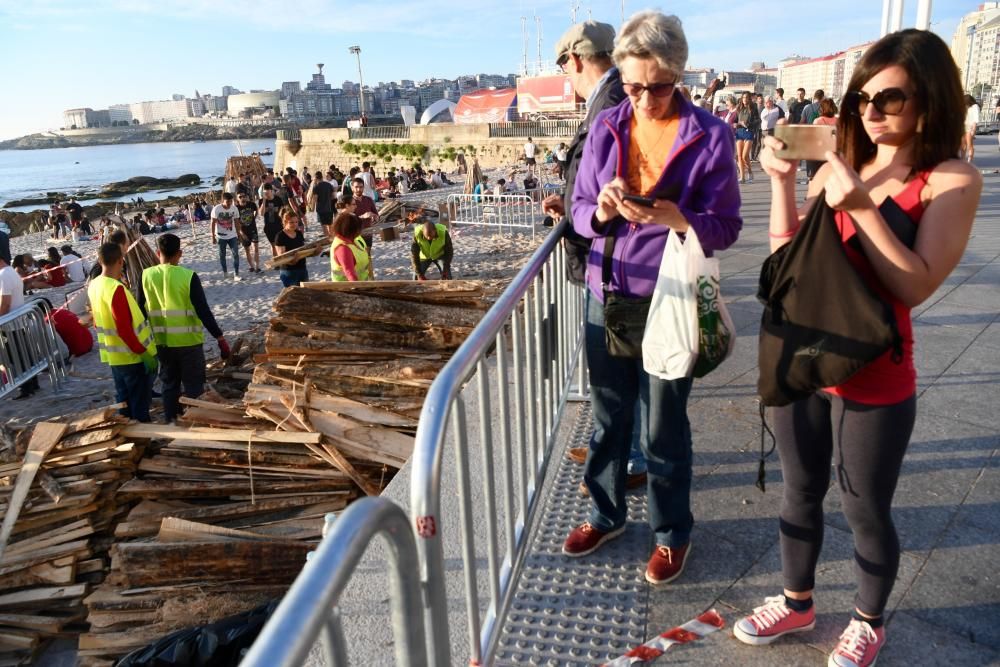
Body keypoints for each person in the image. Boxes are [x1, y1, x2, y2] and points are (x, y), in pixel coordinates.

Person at [734, 30, 981, 667]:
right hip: (808, 355)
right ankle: (797, 601)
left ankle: (868, 620)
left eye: (888, 98)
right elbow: (786, 261)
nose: (869, 112)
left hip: (876, 370)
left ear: (928, 100)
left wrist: (862, 206)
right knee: (799, 489)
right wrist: (787, 184)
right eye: (860, 99)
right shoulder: (846, 163)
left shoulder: (949, 178)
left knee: (865, 507)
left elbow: (916, 283)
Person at [562, 11, 742, 588]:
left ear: (679, 76)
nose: (643, 99)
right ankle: (605, 514)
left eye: (656, 87)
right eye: (633, 86)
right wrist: (603, 211)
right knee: (608, 417)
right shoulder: (607, 124)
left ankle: (671, 533)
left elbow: (727, 225)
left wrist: (679, 218)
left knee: (664, 426)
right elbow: (580, 212)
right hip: (605, 291)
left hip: (669, 297)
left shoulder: (710, 135)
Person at [139, 233, 230, 423]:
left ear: (158, 253)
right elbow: (203, 311)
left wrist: (143, 343)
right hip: (189, 343)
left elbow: (140, 311)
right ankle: (195, 422)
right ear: (179, 253)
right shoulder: (188, 276)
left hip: (162, 343)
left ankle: (172, 421)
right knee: (194, 386)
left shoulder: (145, 276)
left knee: (169, 385)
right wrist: (220, 338)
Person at [88, 242, 158, 422]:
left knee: (124, 402)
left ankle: (127, 437)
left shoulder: (94, 284)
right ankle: (143, 440)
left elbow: (96, 322)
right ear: (121, 260)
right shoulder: (116, 289)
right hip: (131, 357)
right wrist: (144, 354)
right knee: (139, 404)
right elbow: (124, 329)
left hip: (114, 356)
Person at [0, 251, 38, 399]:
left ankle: (26, 387)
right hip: (18, 320)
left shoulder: (3, 275)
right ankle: (32, 383)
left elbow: (5, 303)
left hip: (11, 322)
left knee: (16, 356)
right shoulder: (10, 271)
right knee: (24, 353)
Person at [329, 212, 371, 282]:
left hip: (363, 282)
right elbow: (350, 274)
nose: (361, 231)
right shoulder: (343, 249)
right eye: (359, 229)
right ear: (351, 230)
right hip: (347, 289)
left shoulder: (353, 240)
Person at [211, 192, 242, 281]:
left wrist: (239, 235)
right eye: (227, 202)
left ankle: (236, 274)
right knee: (222, 255)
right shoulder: (216, 209)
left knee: (236, 254)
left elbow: (236, 222)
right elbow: (212, 223)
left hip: (232, 235)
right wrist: (212, 236)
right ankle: (225, 273)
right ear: (222, 201)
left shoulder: (234, 208)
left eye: (231, 202)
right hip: (220, 237)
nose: (229, 204)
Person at [410, 216, 453, 280]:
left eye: (432, 237)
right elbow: (414, 255)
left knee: (447, 277)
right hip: (424, 256)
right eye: (426, 237)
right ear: (422, 231)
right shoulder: (417, 234)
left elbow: (449, 251)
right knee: (416, 278)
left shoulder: (443, 232)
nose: (429, 238)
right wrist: (419, 274)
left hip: (439, 255)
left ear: (435, 230)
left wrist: (445, 268)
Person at [274, 211, 310, 287]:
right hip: (289, 271)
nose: (295, 224)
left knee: (305, 294)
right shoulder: (280, 236)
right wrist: (292, 261)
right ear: (285, 222)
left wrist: (315, 252)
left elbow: (302, 251)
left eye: (296, 222)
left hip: (302, 268)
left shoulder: (299, 233)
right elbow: (281, 257)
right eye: (291, 222)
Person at [350, 177, 379, 264]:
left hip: (368, 233)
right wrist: (362, 216)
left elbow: (377, 215)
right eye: (356, 187)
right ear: (352, 188)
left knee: (368, 257)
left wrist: (375, 217)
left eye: (361, 187)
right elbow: (347, 220)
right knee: (356, 260)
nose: (359, 189)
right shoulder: (349, 202)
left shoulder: (368, 200)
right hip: (355, 235)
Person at [735, 91, 759, 183]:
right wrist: (736, 124)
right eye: (743, 97)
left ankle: (750, 172)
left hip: (749, 132)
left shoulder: (753, 108)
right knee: (740, 156)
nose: (745, 99)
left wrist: (748, 124)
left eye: (746, 97)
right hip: (739, 132)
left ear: (749, 99)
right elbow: (736, 120)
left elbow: (758, 121)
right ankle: (742, 177)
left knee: (745, 156)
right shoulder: (739, 108)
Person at [259, 183, 285, 260]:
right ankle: (276, 260)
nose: (266, 194)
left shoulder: (278, 199)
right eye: (264, 193)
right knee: (273, 245)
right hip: (268, 227)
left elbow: (283, 212)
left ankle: (281, 259)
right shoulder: (262, 201)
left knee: (280, 244)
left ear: (271, 191)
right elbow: (261, 213)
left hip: (279, 225)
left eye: (267, 192)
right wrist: (264, 200)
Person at [235, 192, 260, 272]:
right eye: (240, 196)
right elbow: (236, 223)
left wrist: (254, 218)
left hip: (253, 229)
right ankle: (252, 266)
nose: (242, 197)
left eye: (244, 196)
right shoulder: (236, 208)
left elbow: (256, 210)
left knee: (255, 248)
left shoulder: (251, 204)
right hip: (243, 231)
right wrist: (241, 233)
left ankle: (257, 267)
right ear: (237, 199)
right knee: (247, 250)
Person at [962, 94, 979, 163]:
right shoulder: (966, 107)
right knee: (962, 145)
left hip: (970, 127)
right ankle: (962, 160)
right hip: (963, 126)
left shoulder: (975, 106)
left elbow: (975, 119)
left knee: (969, 145)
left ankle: (969, 161)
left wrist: (973, 130)